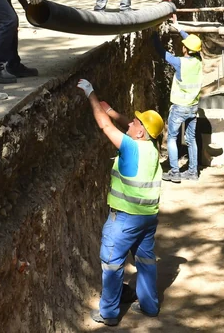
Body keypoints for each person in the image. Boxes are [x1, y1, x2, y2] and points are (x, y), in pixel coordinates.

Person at [76, 78, 164, 327]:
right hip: (148, 218)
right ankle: (149, 305)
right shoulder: (151, 146)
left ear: (140, 132)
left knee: (112, 263)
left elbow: (105, 126)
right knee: (145, 260)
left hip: (124, 219)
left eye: (136, 121)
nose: (131, 122)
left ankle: (110, 313)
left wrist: (91, 95)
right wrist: (112, 110)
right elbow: (126, 124)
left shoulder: (131, 148)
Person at [152, 18, 203, 183]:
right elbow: (191, 43)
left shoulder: (180, 62)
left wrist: (153, 35)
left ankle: (175, 172)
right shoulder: (199, 61)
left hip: (180, 107)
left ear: (184, 49)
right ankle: (193, 171)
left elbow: (163, 53)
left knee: (172, 137)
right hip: (193, 107)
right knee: (191, 139)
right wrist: (179, 27)